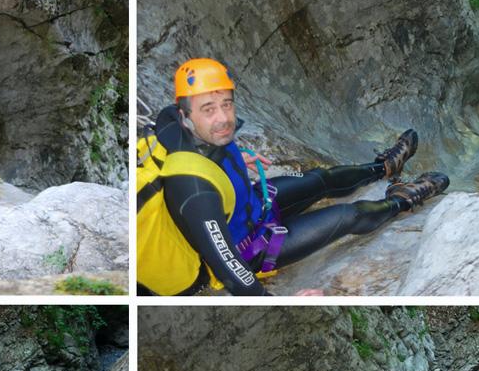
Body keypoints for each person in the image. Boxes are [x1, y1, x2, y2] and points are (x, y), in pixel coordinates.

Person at [137, 57, 450, 296]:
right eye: (209, 109)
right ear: (186, 115)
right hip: (248, 247)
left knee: (319, 180)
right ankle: (403, 199)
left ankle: (384, 168)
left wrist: (231, 159)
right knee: (349, 215)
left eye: (227, 104)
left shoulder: (181, 126)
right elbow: (230, 269)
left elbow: (209, 148)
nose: (223, 118)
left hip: (250, 206)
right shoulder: (192, 189)